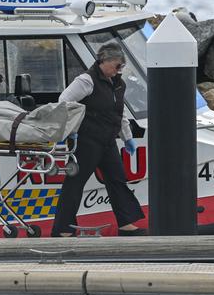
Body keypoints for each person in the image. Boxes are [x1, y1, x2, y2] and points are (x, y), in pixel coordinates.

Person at [51, 42, 146, 237]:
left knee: (117, 180)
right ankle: (63, 230)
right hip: (86, 141)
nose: (119, 70)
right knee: (75, 183)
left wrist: (127, 138)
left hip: (107, 141)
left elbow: (120, 113)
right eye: (117, 66)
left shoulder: (118, 83)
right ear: (105, 61)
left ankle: (126, 223)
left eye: (122, 67)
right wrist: (72, 128)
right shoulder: (87, 80)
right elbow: (64, 101)